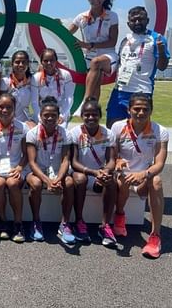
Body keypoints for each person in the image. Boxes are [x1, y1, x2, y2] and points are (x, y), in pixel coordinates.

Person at [111, 93, 168, 258]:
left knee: (157, 181)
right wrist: (118, 160)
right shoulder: (117, 127)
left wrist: (144, 174)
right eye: (137, 109)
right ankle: (120, 214)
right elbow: (112, 156)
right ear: (129, 110)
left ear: (151, 111)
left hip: (144, 177)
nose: (141, 113)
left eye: (145, 109)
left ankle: (155, 236)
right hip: (124, 176)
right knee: (122, 179)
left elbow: (159, 164)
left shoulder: (160, 131)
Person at [106, 6, 170, 127]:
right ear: (128, 23)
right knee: (113, 127)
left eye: (141, 19)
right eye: (133, 20)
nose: (137, 23)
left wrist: (161, 51)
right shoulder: (125, 40)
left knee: (138, 129)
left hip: (142, 91)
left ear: (147, 20)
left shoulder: (157, 39)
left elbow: (162, 67)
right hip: (120, 91)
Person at [26, 96, 75, 244]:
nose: (49, 118)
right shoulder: (32, 133)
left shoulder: (65, 133)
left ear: (58, 117)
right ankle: (36, 222)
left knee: (70, 183)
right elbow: (32, 162)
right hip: (37, 172)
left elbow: (66, 160)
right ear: (40, 116)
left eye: (53, 115)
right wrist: (48, 181)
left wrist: (58, 179)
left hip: (57, 172)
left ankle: (64, 224)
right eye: (46, 115)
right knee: (35, 184)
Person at [70, 97, 117, 247]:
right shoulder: (75, 132)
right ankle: (79, 222)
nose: (91, 117)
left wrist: (105, 172)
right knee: (80, 179)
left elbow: (111, 160)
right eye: (87, 114)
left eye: (94, 114)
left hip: (98, 174)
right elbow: (74, 162)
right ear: (82, 116)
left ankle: (105, 226)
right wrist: (93, 172)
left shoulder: (108, 134)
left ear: (100, 116)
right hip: (82, 172)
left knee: (111, 181)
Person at [0, 94, 29, 243]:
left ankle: (18, 224)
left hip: (15, 168)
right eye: (1, 107)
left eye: (9, 107)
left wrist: (20, 167)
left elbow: (26, 154)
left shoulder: (22, 127)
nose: (4, 110)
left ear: (14, 109)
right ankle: (2, 223)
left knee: (12, 183)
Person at [68, 0, 119, 103]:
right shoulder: (81, 17)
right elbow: (67, 33)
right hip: (88, 57)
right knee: (96, 76)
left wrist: (89, 45)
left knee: (96, 63)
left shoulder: (112, 16)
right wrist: (57, 28)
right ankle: (92, 108)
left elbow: (112, 41)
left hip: (107, 55)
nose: (96, 0)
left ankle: (85, 103)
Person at [31, 48, 74, 126]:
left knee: (60, 131)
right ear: (41, 62)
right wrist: (40, 117)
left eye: (52, 60)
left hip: (60, 112)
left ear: (56, 61)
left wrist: (62, 115)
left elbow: (69, 98)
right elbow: (34, 102)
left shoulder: (65, 75)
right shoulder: (36, 78)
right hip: (42, 112)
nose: (49, 63)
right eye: (45, 61)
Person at [0, 50, 36, 126]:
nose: (20, 65)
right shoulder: (5, 82)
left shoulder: (33, 81)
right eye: (17, 62)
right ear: (12, 64)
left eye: (24, 62)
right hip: (7, 120)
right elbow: (0, 105)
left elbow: (35, 103)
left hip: (24, 120)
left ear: (28, 64)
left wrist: (33, 119)